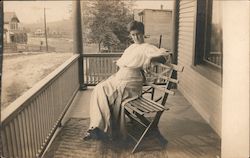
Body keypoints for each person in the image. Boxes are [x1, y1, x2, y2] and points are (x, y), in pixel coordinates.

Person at [84, 20, 169, 141]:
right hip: (120, 78)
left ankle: (101, 128)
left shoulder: (148, 47)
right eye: (133, 35)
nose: (136, 37)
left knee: (105, 92)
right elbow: (126, 60)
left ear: (143, 33)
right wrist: (122, 63)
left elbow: (165, 56)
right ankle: (96, 127)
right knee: (99, 89)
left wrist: (150, 58)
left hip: (131, 83)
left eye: (138, 34)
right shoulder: (131, 47)